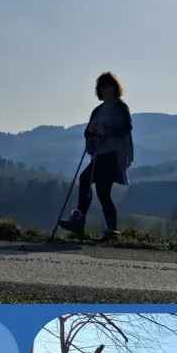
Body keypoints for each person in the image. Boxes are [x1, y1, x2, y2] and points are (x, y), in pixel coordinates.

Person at [59, 72, 133, 240]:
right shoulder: (97, 110)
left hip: (113, 155)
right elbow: (87, 131)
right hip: (100, 154)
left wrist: (106, 131)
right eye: (103, 86)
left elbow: (127, 128)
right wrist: (90, 133)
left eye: (109, 85)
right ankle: (112, 231)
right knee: (102, 193)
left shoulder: (120, 107)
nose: (106, 89)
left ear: (115, 87)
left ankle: (79, 220)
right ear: (99, 89)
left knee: (85, 179)